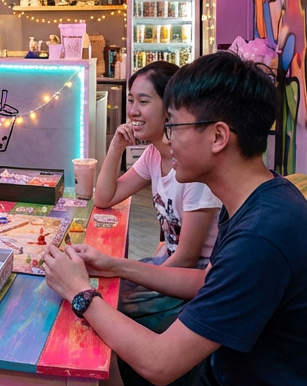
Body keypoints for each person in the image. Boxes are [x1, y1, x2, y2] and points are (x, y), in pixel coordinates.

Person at [43, 52, 307, 386]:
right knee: (70, 375)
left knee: (77, 377)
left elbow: (160, 363)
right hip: (223, 370)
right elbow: (204, 282)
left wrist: (79, 292)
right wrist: (114, 265)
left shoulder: (260, 236)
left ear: (218, 137)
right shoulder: (262, 197)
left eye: (173, 126)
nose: (167, 140)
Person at [93, 61, 220, 330]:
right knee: (100, 288)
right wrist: (116, 146)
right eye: (131, 100)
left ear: (170, 109)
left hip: (195, 276)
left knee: (104, 301)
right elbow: (104, 198)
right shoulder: (153, 154)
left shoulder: (193, 167)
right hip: (170, 262)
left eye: (144, 101)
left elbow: (187, 258)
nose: (133, 111)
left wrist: (134, 276)